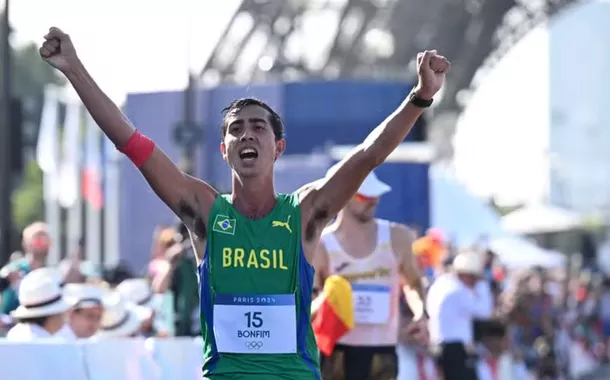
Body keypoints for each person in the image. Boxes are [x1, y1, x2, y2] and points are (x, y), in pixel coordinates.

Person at [39, 26, 449, 379]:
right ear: (224, 149)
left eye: (258, 127)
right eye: (237, 129)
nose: (247, 135)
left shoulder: (304, 213)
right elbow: (129, 140)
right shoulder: (204, 211)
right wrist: (74, 68)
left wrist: (420, 97)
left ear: (279, 147)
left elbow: (367, 155)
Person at [312, 169, 427, 380]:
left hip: (382, 351)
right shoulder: (322, 244)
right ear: (342, 196)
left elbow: (413, 283)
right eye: (364, 196)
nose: (372, 202)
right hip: (338, 350)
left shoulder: (397, 237)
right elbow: (306, 307)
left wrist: (420, 313)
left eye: (375, 196)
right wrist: (327, 300)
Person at [426, 251, 493, 380]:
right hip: (455, 349)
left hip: (439, 346)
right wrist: (483, 287)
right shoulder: (457, 290)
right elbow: (485, 311)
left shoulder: (440, 285)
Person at [6, 268, 73, 341]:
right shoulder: (48, 344)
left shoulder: (15, 333)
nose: (65, 317)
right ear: (52, 316)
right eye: (62, 312)